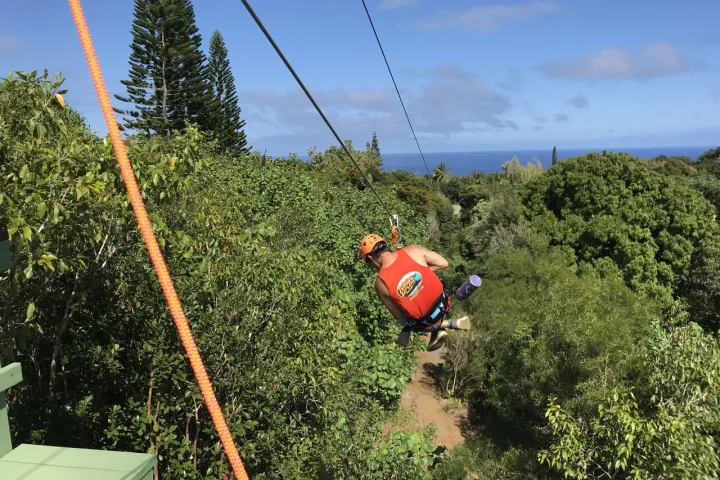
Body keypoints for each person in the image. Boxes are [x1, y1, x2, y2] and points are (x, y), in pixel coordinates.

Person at [359, 233, 470, 351]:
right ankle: (441, 328)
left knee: (409, 318)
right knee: (430, 291)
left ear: (370, 258)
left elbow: (399, 318)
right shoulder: (412, 250)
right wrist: (422, 271)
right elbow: (444, 263)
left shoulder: (380, 284)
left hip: (425, 323)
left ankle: (448, 324)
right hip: (444, 303)